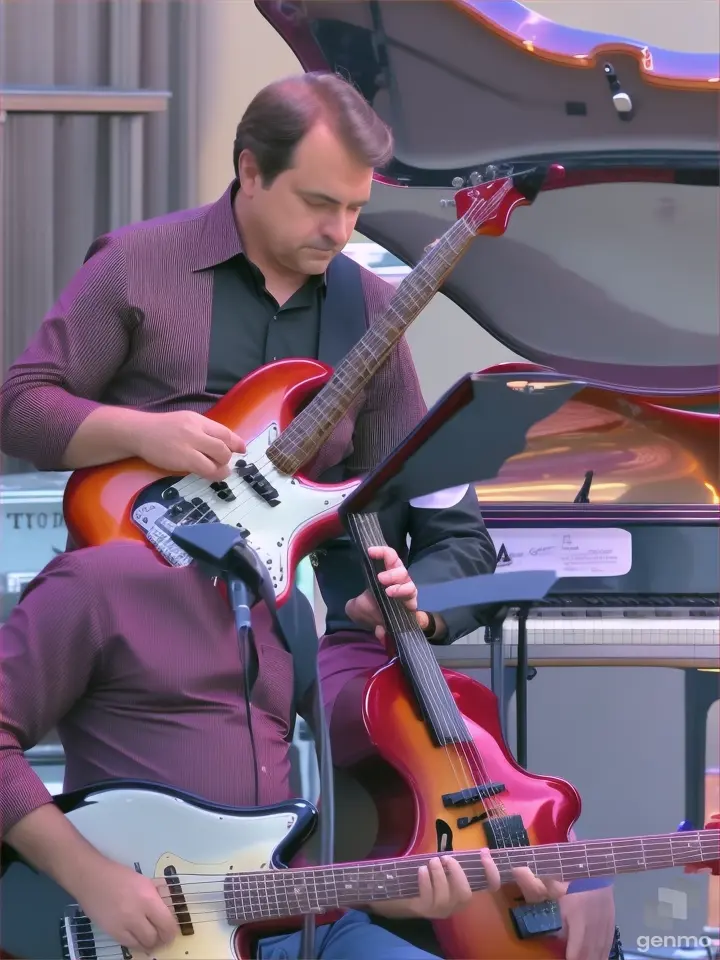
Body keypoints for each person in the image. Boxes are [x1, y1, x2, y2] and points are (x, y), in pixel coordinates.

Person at [0, 72, 615, 960]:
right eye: (318, 203)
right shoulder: (139, 267)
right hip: (136, 625)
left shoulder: (366, 311)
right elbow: (20, 407)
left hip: (280, 647)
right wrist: (147, 434)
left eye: (356, 207)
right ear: (249, 173)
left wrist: (417, 597)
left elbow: (444, 522)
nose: (341, 231)